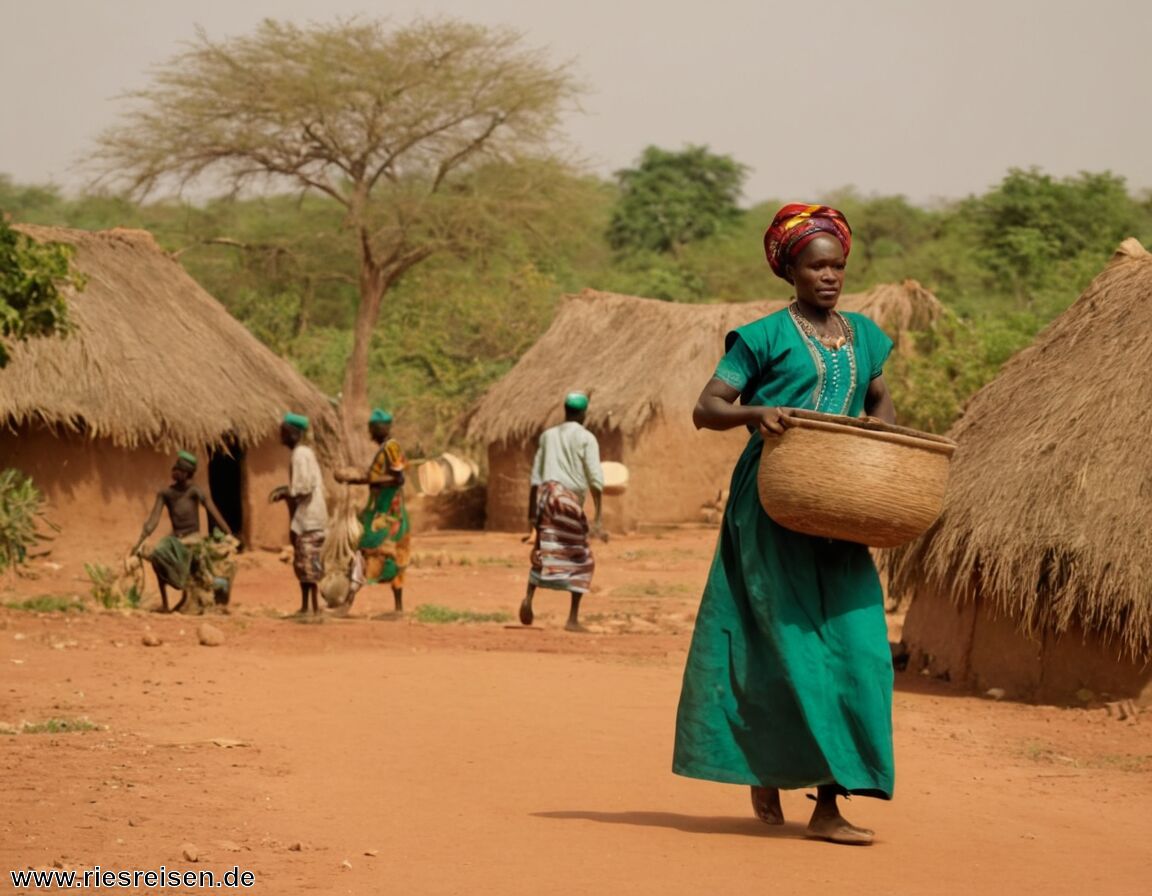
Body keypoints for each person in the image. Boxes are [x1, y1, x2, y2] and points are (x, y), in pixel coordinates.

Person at [672, 204, 898, 846]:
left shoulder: (865, 336)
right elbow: (707, 406)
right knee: (782, 642)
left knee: (858, 650)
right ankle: (779, 776)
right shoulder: (763, 337)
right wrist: (757, 413)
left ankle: (830, 798)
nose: (830, 277)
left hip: (843, 505)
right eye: (816, 266)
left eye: (838, 266)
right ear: (790, 270)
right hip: (771, 506)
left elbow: (877, 399)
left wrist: (877, 430)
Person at [519, 391, 605, 633]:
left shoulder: (547, 436)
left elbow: (536, 477)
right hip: (567, 501)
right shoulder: (587, 438)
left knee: (544, 549)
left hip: (546, 497)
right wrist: (598, 514)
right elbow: (596, 479)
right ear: (583, 414)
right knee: (582, 556)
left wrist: (532, 517)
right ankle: (572, 618)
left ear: (565, 411)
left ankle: (529, 597)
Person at [133, 451, 235, 613]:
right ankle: (165, 603)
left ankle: (206, 594)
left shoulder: (194, 491)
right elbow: (152, 521)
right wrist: (139, 542)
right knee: (158, 556)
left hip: (193, 538)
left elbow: (212, 510)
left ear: (187, 473)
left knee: (201, 568)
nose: (174, 472)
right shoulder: (166, 494)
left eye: (179, 470)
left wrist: (228, 534)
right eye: (174, 468)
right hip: (175, 539)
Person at [334, 408, 411, 614]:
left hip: (387, 514)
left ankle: (348, 602)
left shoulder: (391, 447)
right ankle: (397, 608)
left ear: (380, 428)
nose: (370, 434)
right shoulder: (388, 448)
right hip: (385, 511)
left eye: (372, 429)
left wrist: (361, 479)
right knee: (391, 556)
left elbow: (398, 478)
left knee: (361, 547)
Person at [270, 412, 328, 615]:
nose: (281, 437)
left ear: (293, 434)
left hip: (310, 516)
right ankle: (307, 607)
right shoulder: (303, 453)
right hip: (308, 515)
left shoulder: (301, 454)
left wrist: (286, 491)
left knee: (308, 561)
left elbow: (304, 486)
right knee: (305, 561)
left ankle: (312, 608)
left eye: (283, 433)